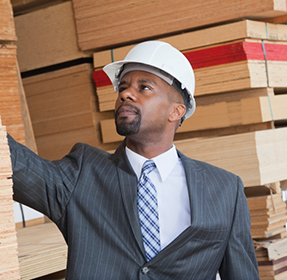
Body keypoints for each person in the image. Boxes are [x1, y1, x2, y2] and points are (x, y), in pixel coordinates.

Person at [9, 41, 259, 279]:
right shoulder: (83, 173)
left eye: (144, 87)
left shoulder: (225, 189)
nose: (126, 94)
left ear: (176, 111)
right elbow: (18, 167)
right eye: (123, 86)